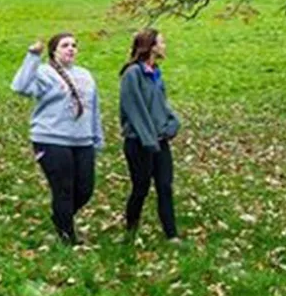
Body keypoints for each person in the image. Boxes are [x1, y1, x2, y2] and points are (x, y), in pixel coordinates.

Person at [11, 32, 104, 245]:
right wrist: (33, 57)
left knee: (85, 190)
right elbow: (20, 87)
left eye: (74, 45)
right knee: (63, 189)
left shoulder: (85, 75)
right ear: (54, 51)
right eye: (65, 45)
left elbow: (94, 108)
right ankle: (67, 238)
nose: (71, 48)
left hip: (83, 140)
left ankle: (61, 217)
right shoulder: (45, 72)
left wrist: (97, 137)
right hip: (51, 139)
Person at [119, 28, 181, 240]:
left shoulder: (155, 73)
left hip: (159, 141)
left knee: (165, 186)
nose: (164, 46)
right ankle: (130, 230)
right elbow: (134, 110)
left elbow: (161, 105)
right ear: (151, 46)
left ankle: (172, 235)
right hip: (139, 142)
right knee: (141, 187)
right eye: (161, 42)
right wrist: (149, 140)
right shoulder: (132, 74)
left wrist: (172, 124)